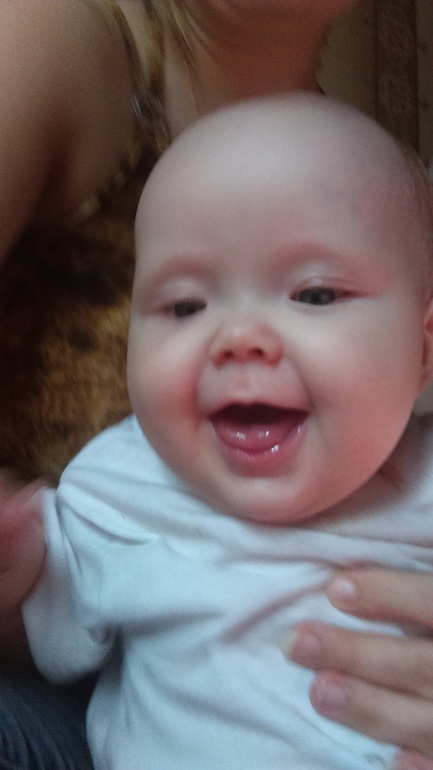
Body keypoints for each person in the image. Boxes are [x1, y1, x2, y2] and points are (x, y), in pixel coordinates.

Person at [1, 1, 433, 767]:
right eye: (184, 307)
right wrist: (19, 566)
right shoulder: (118, 487)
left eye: (314, 295)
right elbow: (50, 628)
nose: (238, 338)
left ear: (422, 349)